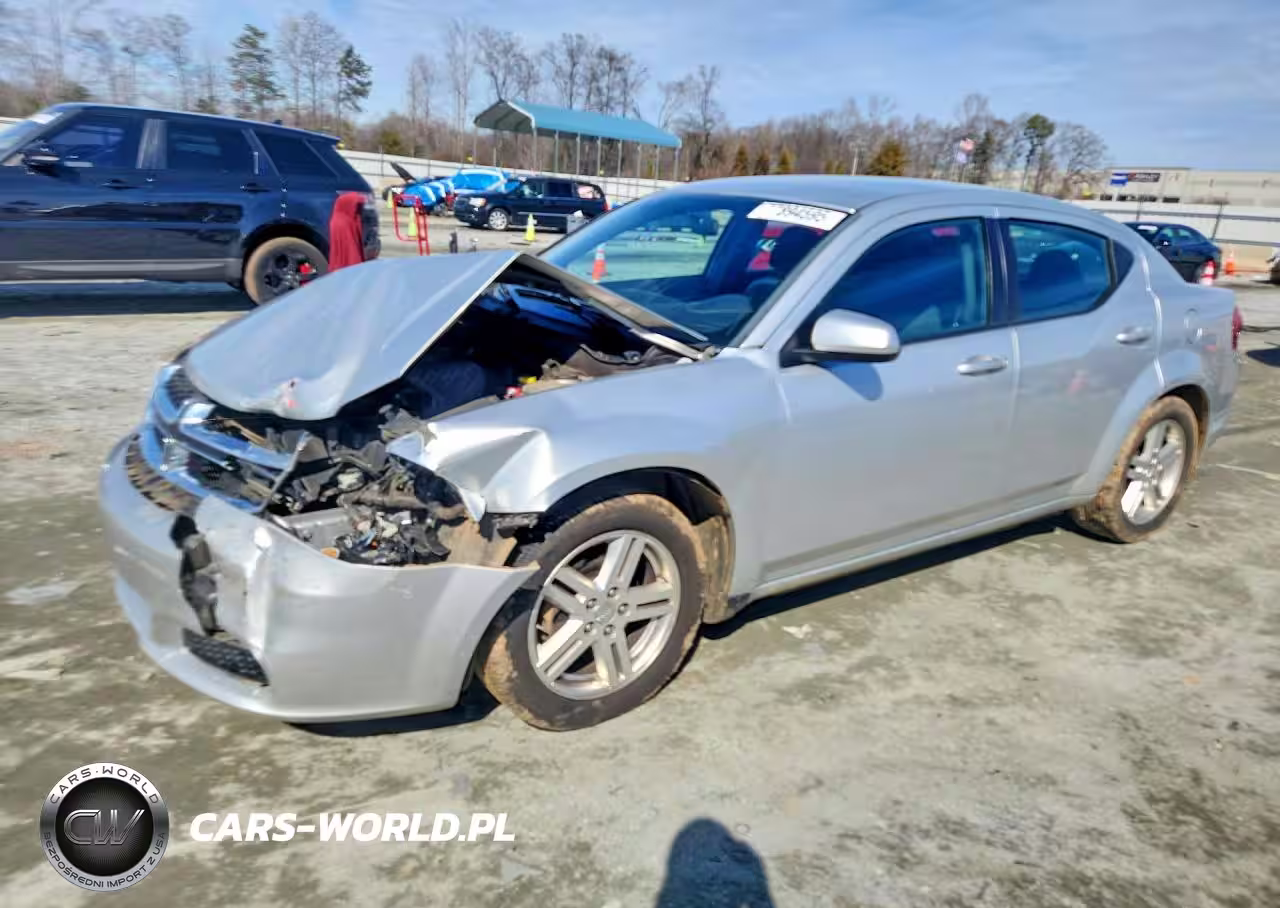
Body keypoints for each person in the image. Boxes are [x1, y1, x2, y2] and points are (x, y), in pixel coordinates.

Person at [327, 192, 367, 271]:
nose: (360, 209)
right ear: (348, 205)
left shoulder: (348, 218)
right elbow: (351, 250)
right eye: (357, 206)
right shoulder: (342, 223)